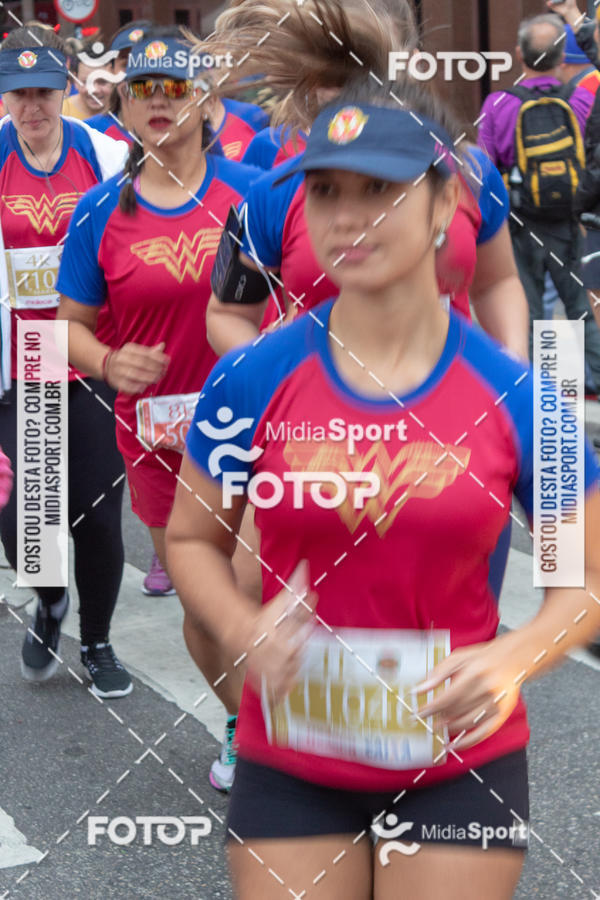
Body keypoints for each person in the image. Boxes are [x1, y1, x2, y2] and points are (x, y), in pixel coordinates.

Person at [166, 80, 600, 899]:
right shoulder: (252, 377)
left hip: (457, 759)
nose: (345, 216)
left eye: (378, 189)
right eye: (326, 191)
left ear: (445, 204)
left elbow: (584, 582)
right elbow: (191, 539)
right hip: (291, 761)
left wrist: (512, 658)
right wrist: (241, 628)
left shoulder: (520, 397)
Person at [55, 32, 260, 790]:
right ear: (123, 106)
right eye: (141, 89)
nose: (158, 102)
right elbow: (67, 326)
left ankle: (290, 736)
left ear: (205, 102)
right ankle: (243, 725)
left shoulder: (255, 194)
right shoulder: (99, 211)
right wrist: (110, 362)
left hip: (256, 427)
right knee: (205, 607)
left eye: (175, 88)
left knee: (252, 589)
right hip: (158, 440)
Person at [202, 0, 529, 359]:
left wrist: (514, 364)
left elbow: (497, 282)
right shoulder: (275, 189)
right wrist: (274, 366)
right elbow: (227, 313)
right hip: (320, 394)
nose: (356, 94)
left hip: (453, 387)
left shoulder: (469, 171)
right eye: (337, 77)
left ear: (412, 66)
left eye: (369, 72)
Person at [0, 26, 132, 697]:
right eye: (19, 93)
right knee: (24, 517)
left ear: (66, 89)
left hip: (90, 353)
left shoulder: (106, 155)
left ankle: (99, 641)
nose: (33, 107)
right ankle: (51, 603)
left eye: (44, 92)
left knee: (99, 514)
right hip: (22, 358)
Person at [478, 13, 600, 383]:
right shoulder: (582, 100)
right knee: (581, 307)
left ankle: (533, 392)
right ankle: (594, 379)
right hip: (570, 221)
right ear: (562, 57)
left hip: (519, 223)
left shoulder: (498, 104)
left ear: (519, 54)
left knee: (527, 309)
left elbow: (483, 170)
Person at [62, 42, 112, 120]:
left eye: (102, 82)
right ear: (75, 81)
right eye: (87, 82)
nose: (94, 90)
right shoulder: (61, 113)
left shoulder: (124, 111)